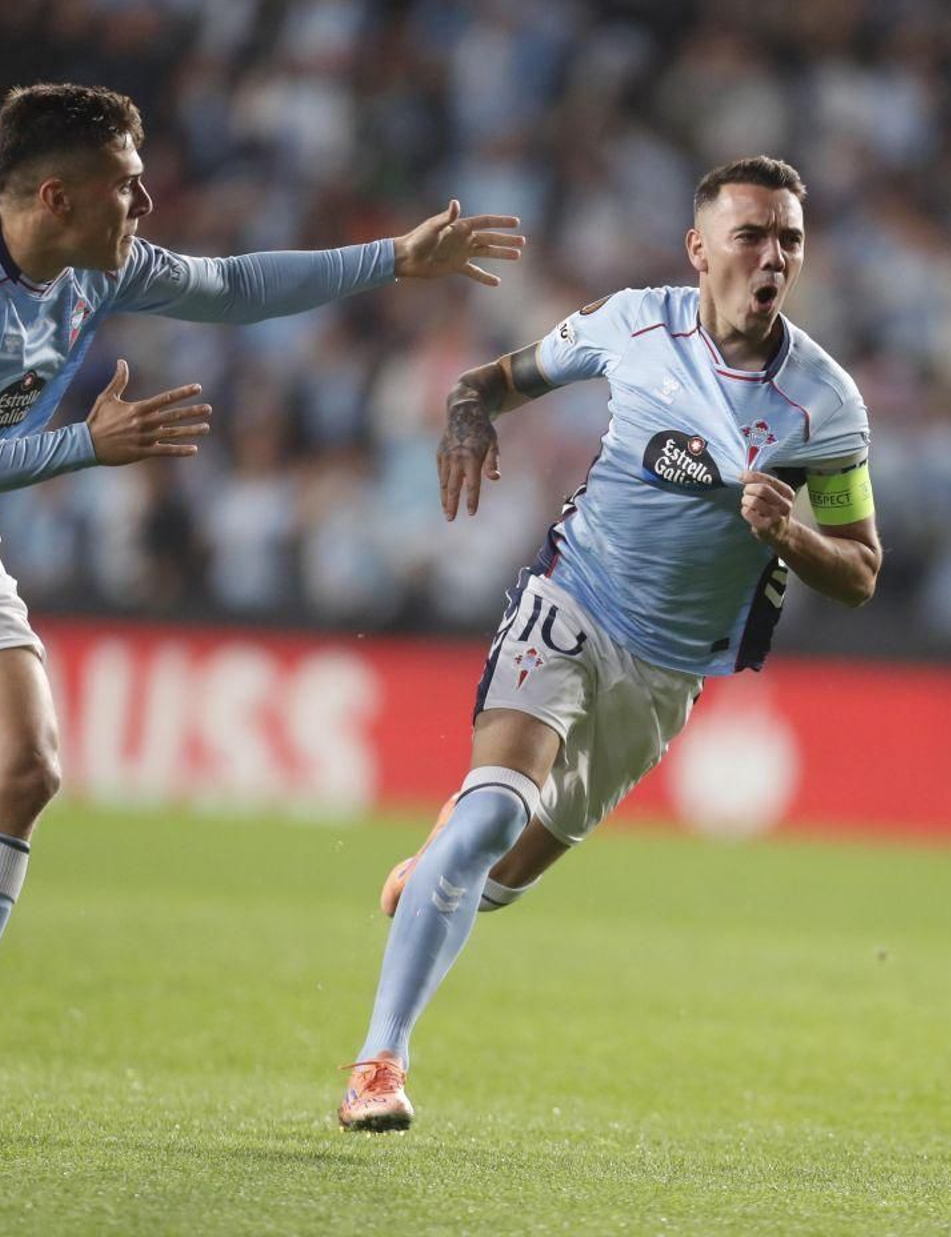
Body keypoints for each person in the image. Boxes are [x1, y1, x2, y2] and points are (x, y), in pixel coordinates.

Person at [0, 82, 524, 1131]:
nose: (146, 204)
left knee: (21, 769)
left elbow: (232, 285)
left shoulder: (89, 264)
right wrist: (82, 446)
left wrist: (393, 258)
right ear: (57, 197)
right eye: (127, 186)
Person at [336, 155, 882, 1133]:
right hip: (572, 598)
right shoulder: (631, 323)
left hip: (669, 669)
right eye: (751, 234)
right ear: (699, 248)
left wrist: (792, 536)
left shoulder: (824, 403)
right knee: (489, 816)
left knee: (500, 877)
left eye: (789, 239)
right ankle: (380, 1063)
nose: (772, 256)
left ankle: (444, 869)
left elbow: (860, 568)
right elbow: (491, 381)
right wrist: (466, 420)